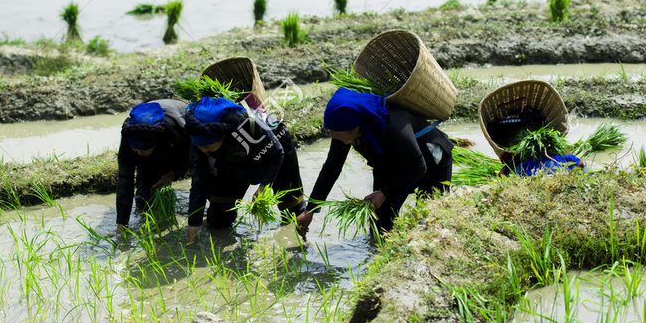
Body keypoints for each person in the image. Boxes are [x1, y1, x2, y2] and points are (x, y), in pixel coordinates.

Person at [295, 88, 453, 237]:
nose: (333, 137)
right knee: (380, 222)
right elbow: (332, 167)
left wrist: (385, 193)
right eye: (331, 132)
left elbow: (418, 168)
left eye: (336, 132)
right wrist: (310, 210)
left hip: (431, 160)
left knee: (429, 218)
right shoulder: (343, 132)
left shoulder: (394, 125)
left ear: (355, 125)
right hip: (392, 162)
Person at [185, 97, 305, 245]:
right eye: (200, 147)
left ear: (223, 135)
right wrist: (191, 237)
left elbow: (277, 153)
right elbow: (198, 187)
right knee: (218, 220)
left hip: (273, 150)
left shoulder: (247, 125)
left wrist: (262, 188)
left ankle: (302, 244)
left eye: (208, 147)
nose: (204, 151)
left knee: (293, 214)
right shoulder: (199, 139)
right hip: (234, 160)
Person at [116, 99, 191, 234]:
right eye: (136, 150)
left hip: (177, 128)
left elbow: (187, 156)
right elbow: (124, 182)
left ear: (156, 144)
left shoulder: (179, 127)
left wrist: (172, 174)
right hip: (149, 119)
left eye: (143, 151)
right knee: (144, 201)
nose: (138, 154)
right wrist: (121, 225)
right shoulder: (128, 132)